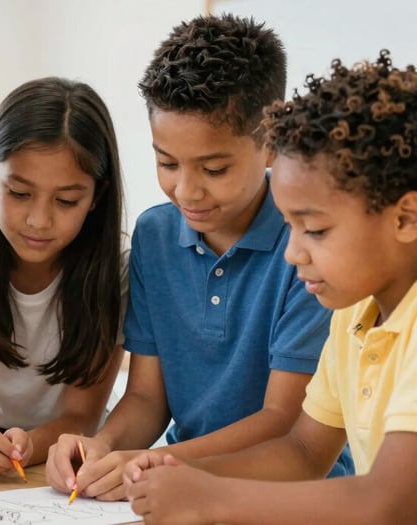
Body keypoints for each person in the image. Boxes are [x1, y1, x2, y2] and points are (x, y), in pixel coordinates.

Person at [46, 13, 354, 500]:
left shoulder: (307, 247)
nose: (185, 191)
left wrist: (157, 462)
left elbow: (283, 425)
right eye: (166, 163)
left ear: (271, 142)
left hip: (287, 495)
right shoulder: (154, 234)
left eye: (213, 168)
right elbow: (148, 397)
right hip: (176, 485)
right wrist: (101, 446)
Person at [123, 49, 417, 525]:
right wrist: (173, 468)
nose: (293, 253)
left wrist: (210, 499)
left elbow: (390, 504)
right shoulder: (353, 316)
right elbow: (302, 452)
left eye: (315, 231)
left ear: (404, 218)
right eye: (289, 226)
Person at [0, 76, 128, 480]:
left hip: (73, 452)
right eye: (18, 193)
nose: (39, 220)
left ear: (96, 198)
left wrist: (29, 446)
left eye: (67, 200)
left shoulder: (117, 268)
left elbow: (82, 415)